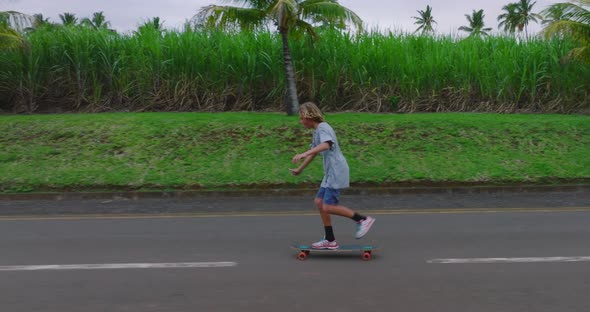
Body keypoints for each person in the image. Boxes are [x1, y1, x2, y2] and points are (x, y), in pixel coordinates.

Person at [290, 102, 375, 249]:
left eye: (301, 118)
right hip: (330, 172)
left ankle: (363, 220)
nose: (301, 121)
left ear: (308, 116)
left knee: (328, 206)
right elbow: (315, 151)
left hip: (337, 171)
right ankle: (330, 239)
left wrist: (304, 153)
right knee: (319, 202)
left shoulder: (323, 127)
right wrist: (300, 169)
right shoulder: (317, 131)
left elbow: (326, 145)